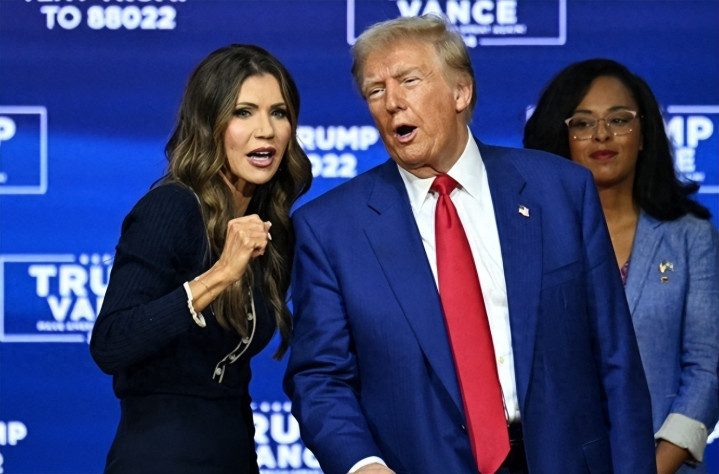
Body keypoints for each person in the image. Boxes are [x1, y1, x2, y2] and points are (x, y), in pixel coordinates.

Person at [284, 15, 656, 474]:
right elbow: (320, 378)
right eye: (375, 91)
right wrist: (363, 465)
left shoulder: (560, 192)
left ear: (460, 92)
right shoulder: (331, 228)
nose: (392, 103)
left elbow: (616, 359)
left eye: (408, 81)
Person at [90, 44, 312, 473]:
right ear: (210, 124)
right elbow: (111, 343)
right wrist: (220, 274)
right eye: (243, 113)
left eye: (279, 113)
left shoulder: (272, 227)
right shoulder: (172, 208)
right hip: (159, 459)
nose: (266, 130)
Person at [524, 58, 719, 474]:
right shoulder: (528, 238)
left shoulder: (691, 237)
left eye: (619, 119)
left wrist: (651, 468)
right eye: (582, 123)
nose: (602, 135)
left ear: (644, 133)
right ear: (562, 138)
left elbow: (706, 369)